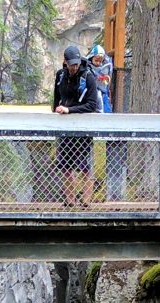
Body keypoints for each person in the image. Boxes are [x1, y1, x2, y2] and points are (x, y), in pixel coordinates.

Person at [52, 44, 100, 206]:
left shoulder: (88, 77)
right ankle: (70, 201)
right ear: (65, 62)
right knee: (66, 166)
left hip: (83, 128)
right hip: (64, 129)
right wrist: (57, 113)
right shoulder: (60, 76)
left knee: (85, 167)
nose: (74, 67)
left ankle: (86, 202)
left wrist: (69, 110)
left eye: (76, 64)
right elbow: (56, 100)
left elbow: (91, 105)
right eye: (71, 64)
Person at [87, 44, 113, 113]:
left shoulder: (106, 67)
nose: (98, 63)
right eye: (96, 60)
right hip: (91, 93)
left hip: (103, 91)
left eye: (100, 61)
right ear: (91, 57)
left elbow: (108, 80)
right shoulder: (87, 68)